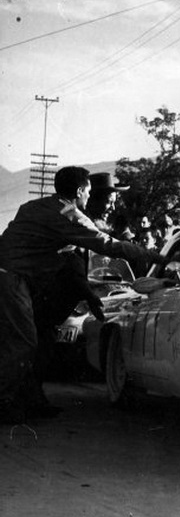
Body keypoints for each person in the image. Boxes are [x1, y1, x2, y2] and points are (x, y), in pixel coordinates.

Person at [0, 166, 165, 424]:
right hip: (13, 278)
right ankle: (4, 402)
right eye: (89, 192)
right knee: (24, 343)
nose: (90, 197)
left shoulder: (35, 206)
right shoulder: (70, 216)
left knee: (29, 343)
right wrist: (153, 255)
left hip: (18, 278)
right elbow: (107, 246)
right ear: (80, 191)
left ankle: (23, 399)